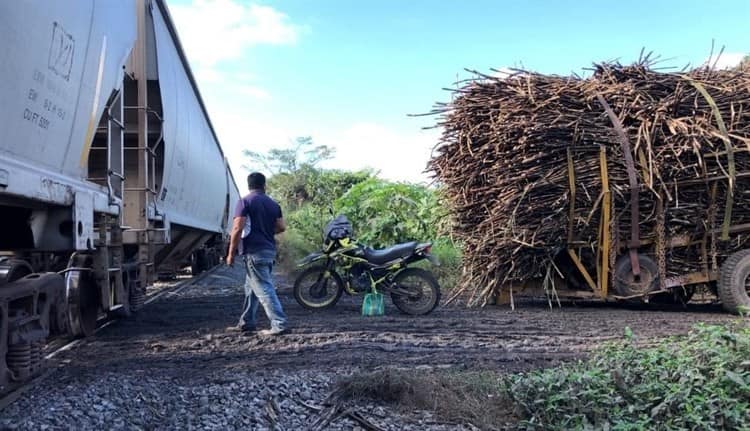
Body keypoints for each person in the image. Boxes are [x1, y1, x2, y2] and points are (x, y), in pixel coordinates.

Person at [226, 172, 288, 336]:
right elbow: (281, 227)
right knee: (251, 288)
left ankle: (279, 324)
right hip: (268, 250)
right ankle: (247, 323)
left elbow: (237, 228)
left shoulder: (244, 202)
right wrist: (266, 231)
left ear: (249, 185)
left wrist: (230, 253)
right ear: (264, 185)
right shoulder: (274, 204)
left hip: (254, 251)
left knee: (264, 288)